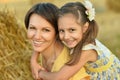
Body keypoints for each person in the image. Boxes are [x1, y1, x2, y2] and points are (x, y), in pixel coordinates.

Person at [31, 0, 120, 80]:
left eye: (72, 30)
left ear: (85, 27)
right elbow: (41, 40)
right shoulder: (74, 37)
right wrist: (33, 61)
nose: (66, 36)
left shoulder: (87, 51)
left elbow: (60, 77)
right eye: (61, 30)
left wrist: (40, 73)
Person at [24, 2, 90, 80]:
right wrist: (33, 60)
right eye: (32, 28)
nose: (37, 36)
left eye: (46, 30)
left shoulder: (66, 65)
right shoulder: (45, 49)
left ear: (57, 32)